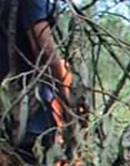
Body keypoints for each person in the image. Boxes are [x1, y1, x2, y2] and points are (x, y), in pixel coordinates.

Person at [1, 0, 80, 156]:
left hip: (8, 100)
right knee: (30, 163)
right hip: (26, 104)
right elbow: (44, 48)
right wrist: (67, 95)